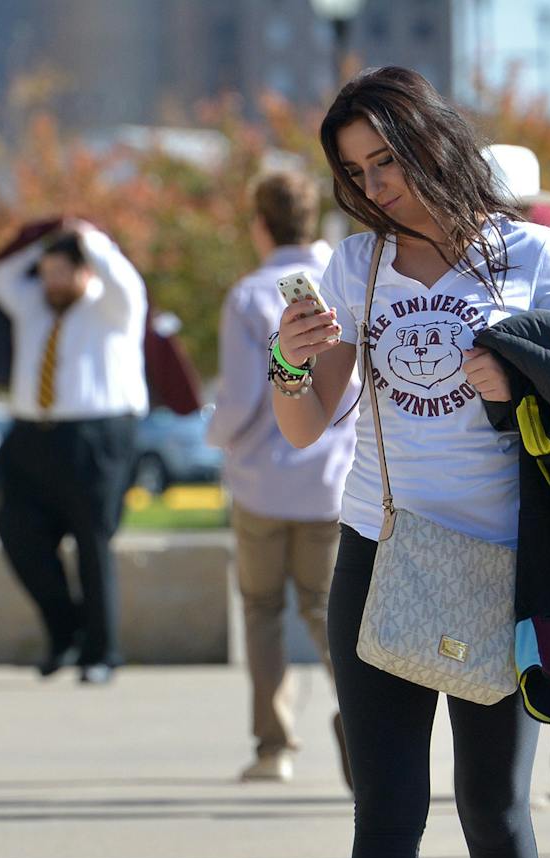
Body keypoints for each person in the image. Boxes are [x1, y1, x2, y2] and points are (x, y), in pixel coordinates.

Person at [272, 67, 550, 858]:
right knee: (385, 796)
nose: (377, 187)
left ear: (433, 144)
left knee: (491, 798)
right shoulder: (354, 262)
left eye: (388, 161)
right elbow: (302, 422)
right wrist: (289, 361)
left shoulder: (528, 254)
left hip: (504, 560)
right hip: (382, 547)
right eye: (356, 172)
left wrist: (521, 381)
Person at [208, 169, 357, 784]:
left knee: (263, 608)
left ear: (260, 225)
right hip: (329, 477)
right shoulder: (341, 282)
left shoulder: (249, 296)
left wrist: (215, 436)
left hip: (261, 479)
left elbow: (243, 397)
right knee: (329, 613)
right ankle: (358, 727)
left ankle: (274, 745)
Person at [0, 222, 147, 684]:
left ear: (86, 271)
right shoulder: (34, 306)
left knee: (92, 542)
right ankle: (66, 632)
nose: (51, 281)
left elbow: (125, 279)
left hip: (97, 436)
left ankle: (102, 653)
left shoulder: (113, 307)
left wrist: (88, 238)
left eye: (62, 272)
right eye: (46, 272)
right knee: (16, 529)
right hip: (32, 436)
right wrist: (43, 239)